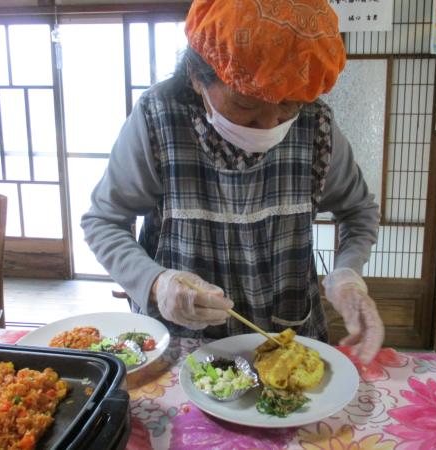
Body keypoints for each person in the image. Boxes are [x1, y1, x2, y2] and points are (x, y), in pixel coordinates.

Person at [82, 0, 384, 364]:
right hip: (183, 344)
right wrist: (156, 282)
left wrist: (348, 275)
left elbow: (358, 211)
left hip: (286, 337)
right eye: (245, 105)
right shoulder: (157, 118)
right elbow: (104, 221)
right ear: (197, 77)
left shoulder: (316, 126)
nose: (269, 124)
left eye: (288, 105)